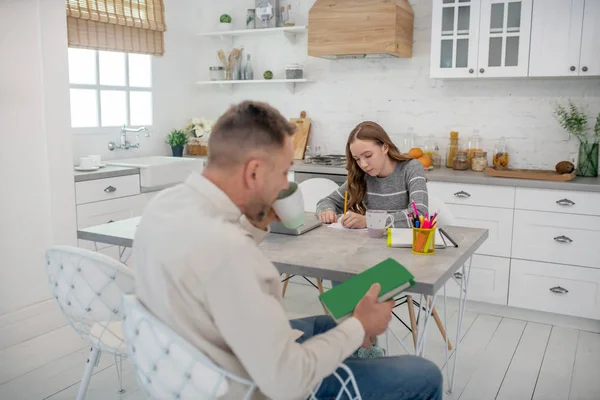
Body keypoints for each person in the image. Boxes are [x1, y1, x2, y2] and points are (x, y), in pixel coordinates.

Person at [134, 101, 442, 400]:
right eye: (283, 173)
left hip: (198, 360)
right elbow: (287, 381)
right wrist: (361, 325)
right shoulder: (232, 252)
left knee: (332, 323)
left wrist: (257, 222)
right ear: (254, 171)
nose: (285, 186)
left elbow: (217, 260)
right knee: (426, 374)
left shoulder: (164, 206)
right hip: (247, 383)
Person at [317, 121, 428, 229]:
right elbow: (327, 201)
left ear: (385, 148)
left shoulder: (411, 168)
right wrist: (327, 211)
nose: (363, 165)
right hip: (370, 243)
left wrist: (370, 221)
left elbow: (419, 214)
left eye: (368, 155)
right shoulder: (362, 175)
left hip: (404, 244)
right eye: (357, 159)